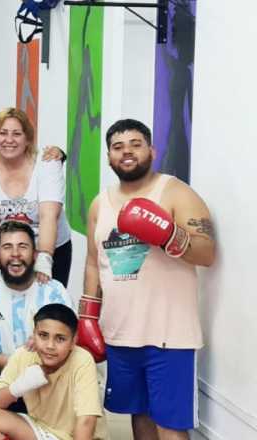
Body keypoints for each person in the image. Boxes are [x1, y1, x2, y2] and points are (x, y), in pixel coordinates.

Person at [81, 119, 215, 440]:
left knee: (169, 425)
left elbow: (207, 252)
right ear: (110, 156)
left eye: (135, 144)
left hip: (169, 335)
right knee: (138, 416)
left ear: (151, 151)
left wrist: (169, 234)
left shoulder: (175, 192)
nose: (127, 152)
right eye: (118, 147)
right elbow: (91, 262)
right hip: (121, 332)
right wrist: (87, 315)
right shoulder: (101, 203)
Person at [0, 221, 73, 422]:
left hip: (50, 373)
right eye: (7, 247)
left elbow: (70, 343)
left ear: (35, 254)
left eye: (22, 246)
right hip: (0, 373)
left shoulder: (54, 291)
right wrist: (17, 364)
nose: (15, 253)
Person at [0, 107, 72, 288]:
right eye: (3, 133)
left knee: (48, 308)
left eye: (17, 134)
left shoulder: (48, 163)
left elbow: (48, 216)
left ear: (28, 139)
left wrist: (44, 258)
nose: (9, 140)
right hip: (9, 250)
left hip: (52, 246)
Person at [0, 304, 104, 440]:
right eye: (43, 335)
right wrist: (19, 387)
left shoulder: (82, 360)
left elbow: (86, 421)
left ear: (73, 341)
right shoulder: (24, 355)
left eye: (60, 339)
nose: (50, 346)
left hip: (81, 436)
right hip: (42, 430)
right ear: (34, 334)